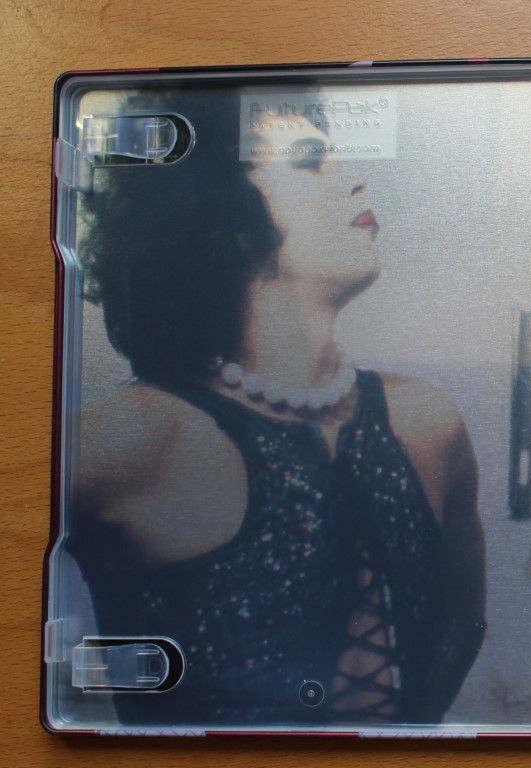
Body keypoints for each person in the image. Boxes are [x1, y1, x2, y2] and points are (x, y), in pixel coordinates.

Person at [70, 88, 486, 726]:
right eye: (310, 160)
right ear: (221, 214)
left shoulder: (428, 424)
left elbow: (463, 623)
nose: (356, 177)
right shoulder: (136, 437)